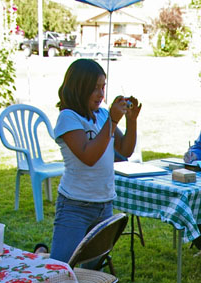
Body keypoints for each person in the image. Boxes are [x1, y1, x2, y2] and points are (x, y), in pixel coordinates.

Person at [49, 59, 140, 263]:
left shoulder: (102, 116)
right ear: (79, 88)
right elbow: (88, 156)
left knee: (94, 270)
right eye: (95, 88)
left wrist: (131, 121)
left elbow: (125, 150)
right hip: (75, 205)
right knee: (62, 267)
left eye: (103, 87)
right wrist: (113, 120)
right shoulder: (68, 118)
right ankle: (42, 258)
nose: (101, 94)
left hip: (104, 203)